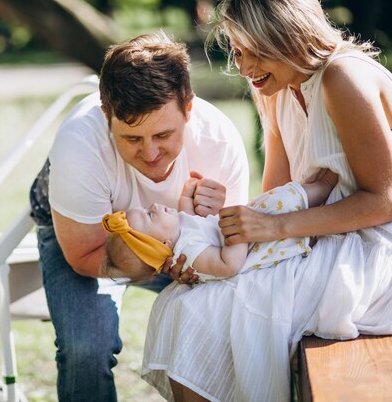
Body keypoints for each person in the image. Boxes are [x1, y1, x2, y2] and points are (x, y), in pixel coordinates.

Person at [141, 0, 392, 401]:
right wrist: (205, 245)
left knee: (204, 314)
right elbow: (277, 195)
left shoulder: (342, 77)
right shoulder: (275, 88)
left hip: (377, 255)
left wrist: (272, 226)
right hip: (318, 242)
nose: (243, 68)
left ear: (291, 36)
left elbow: (384, 202)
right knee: (181, 301)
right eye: (237, 52)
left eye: (255, 52)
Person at [29, 31, 250, 402]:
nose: (150, 153)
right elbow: (84, 256)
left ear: (189, 109)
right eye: (131, 138)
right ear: (106, 115)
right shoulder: (79, 145)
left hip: (172, 236)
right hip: (85, 236)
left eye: (163, 134)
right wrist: (164, 263)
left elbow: (233, 256)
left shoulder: (219, 142)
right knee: (87, 346)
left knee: (229, 319)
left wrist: (202, 229)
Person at [102, 170, 338, 282]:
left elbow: (187, 213)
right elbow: (229, 265)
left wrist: (188, 192)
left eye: (145, 209)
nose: (153, 206)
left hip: (254, 231)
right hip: (256, 248)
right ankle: (327, 185)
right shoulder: (190, 252)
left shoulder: (180, 229)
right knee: (282, 202)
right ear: (164, 244)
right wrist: (235, 234)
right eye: (150, 216)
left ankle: (318, 191)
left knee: (280, 201)